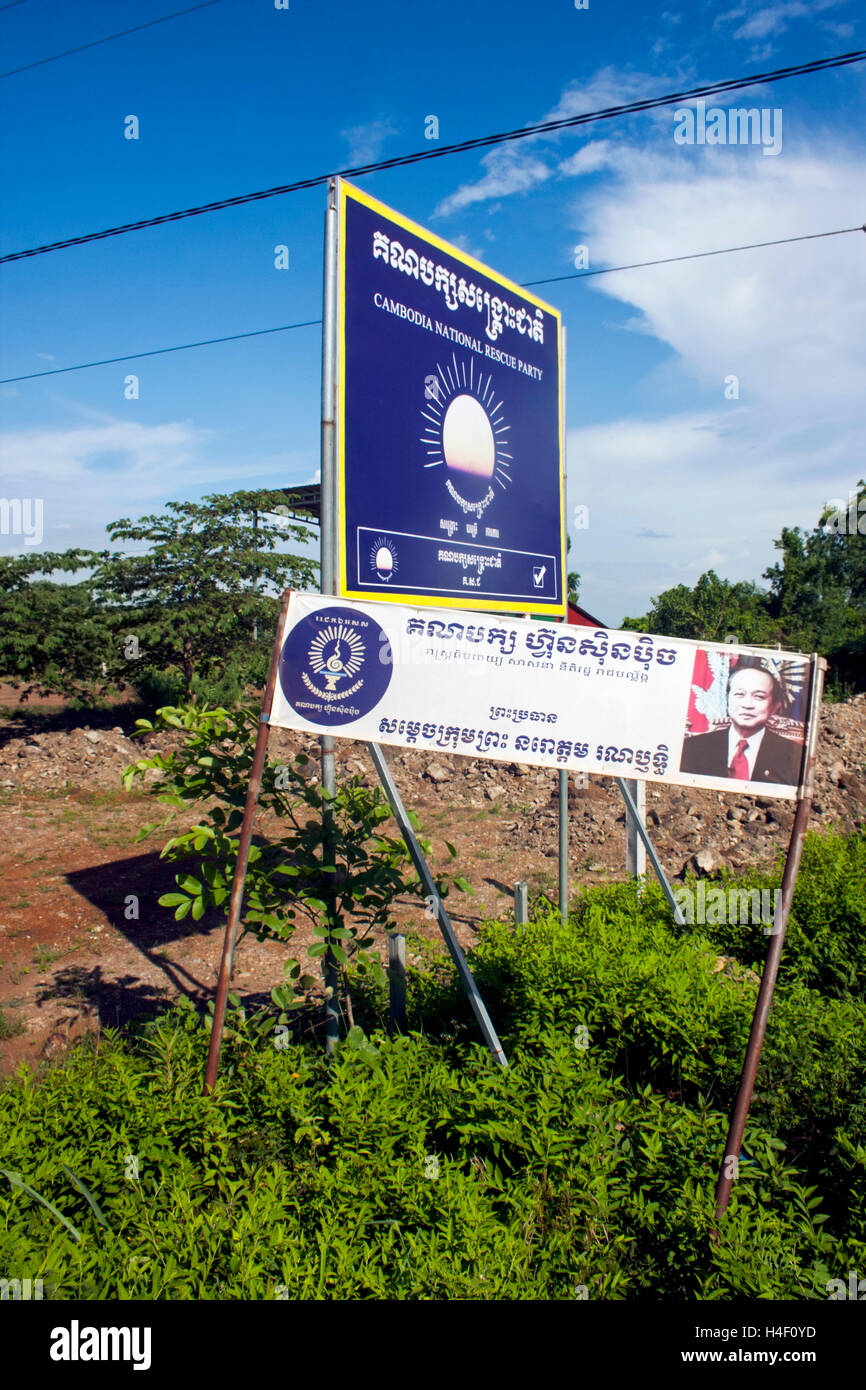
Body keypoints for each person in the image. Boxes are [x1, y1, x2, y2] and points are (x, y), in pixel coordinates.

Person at [680, 657, 803, 786]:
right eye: (739, 694)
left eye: (759, 697)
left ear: (775, 705)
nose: (747, 704)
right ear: (727, 699)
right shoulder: (693, 748)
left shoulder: (793, 755)